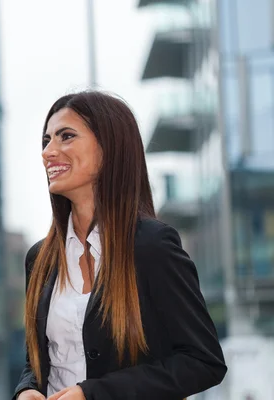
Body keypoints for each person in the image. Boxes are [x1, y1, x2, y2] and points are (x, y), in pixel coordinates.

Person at [14, 91, 226, 400]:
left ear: (109, 147)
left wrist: (94, 394)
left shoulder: (152, 246)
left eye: (66, 136)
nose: (49, 152)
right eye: (46, 140)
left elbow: (203, 361)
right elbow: (37, 359)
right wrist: (27, 389)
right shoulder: (40, 258)